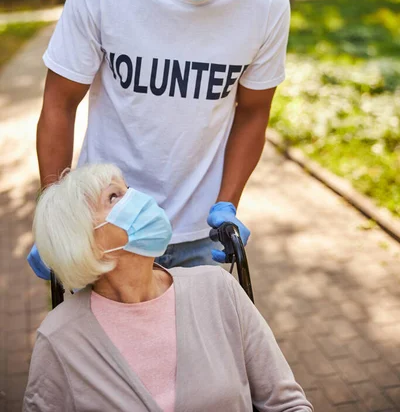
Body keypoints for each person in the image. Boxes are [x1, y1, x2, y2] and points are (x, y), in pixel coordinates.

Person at [28, 0, 291, 275]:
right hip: (103, 228)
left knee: (196, 339)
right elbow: (59, 103)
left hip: (201, 236)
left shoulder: (267, 5)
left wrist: (228, 203)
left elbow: (254, 111)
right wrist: (54, 214)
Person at [24, 163, 313, 412]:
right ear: (88, 243)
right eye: (114, 197)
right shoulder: (60, 339)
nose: (138, 199)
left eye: (128, 189)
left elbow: (286, 403)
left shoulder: (217, 289)